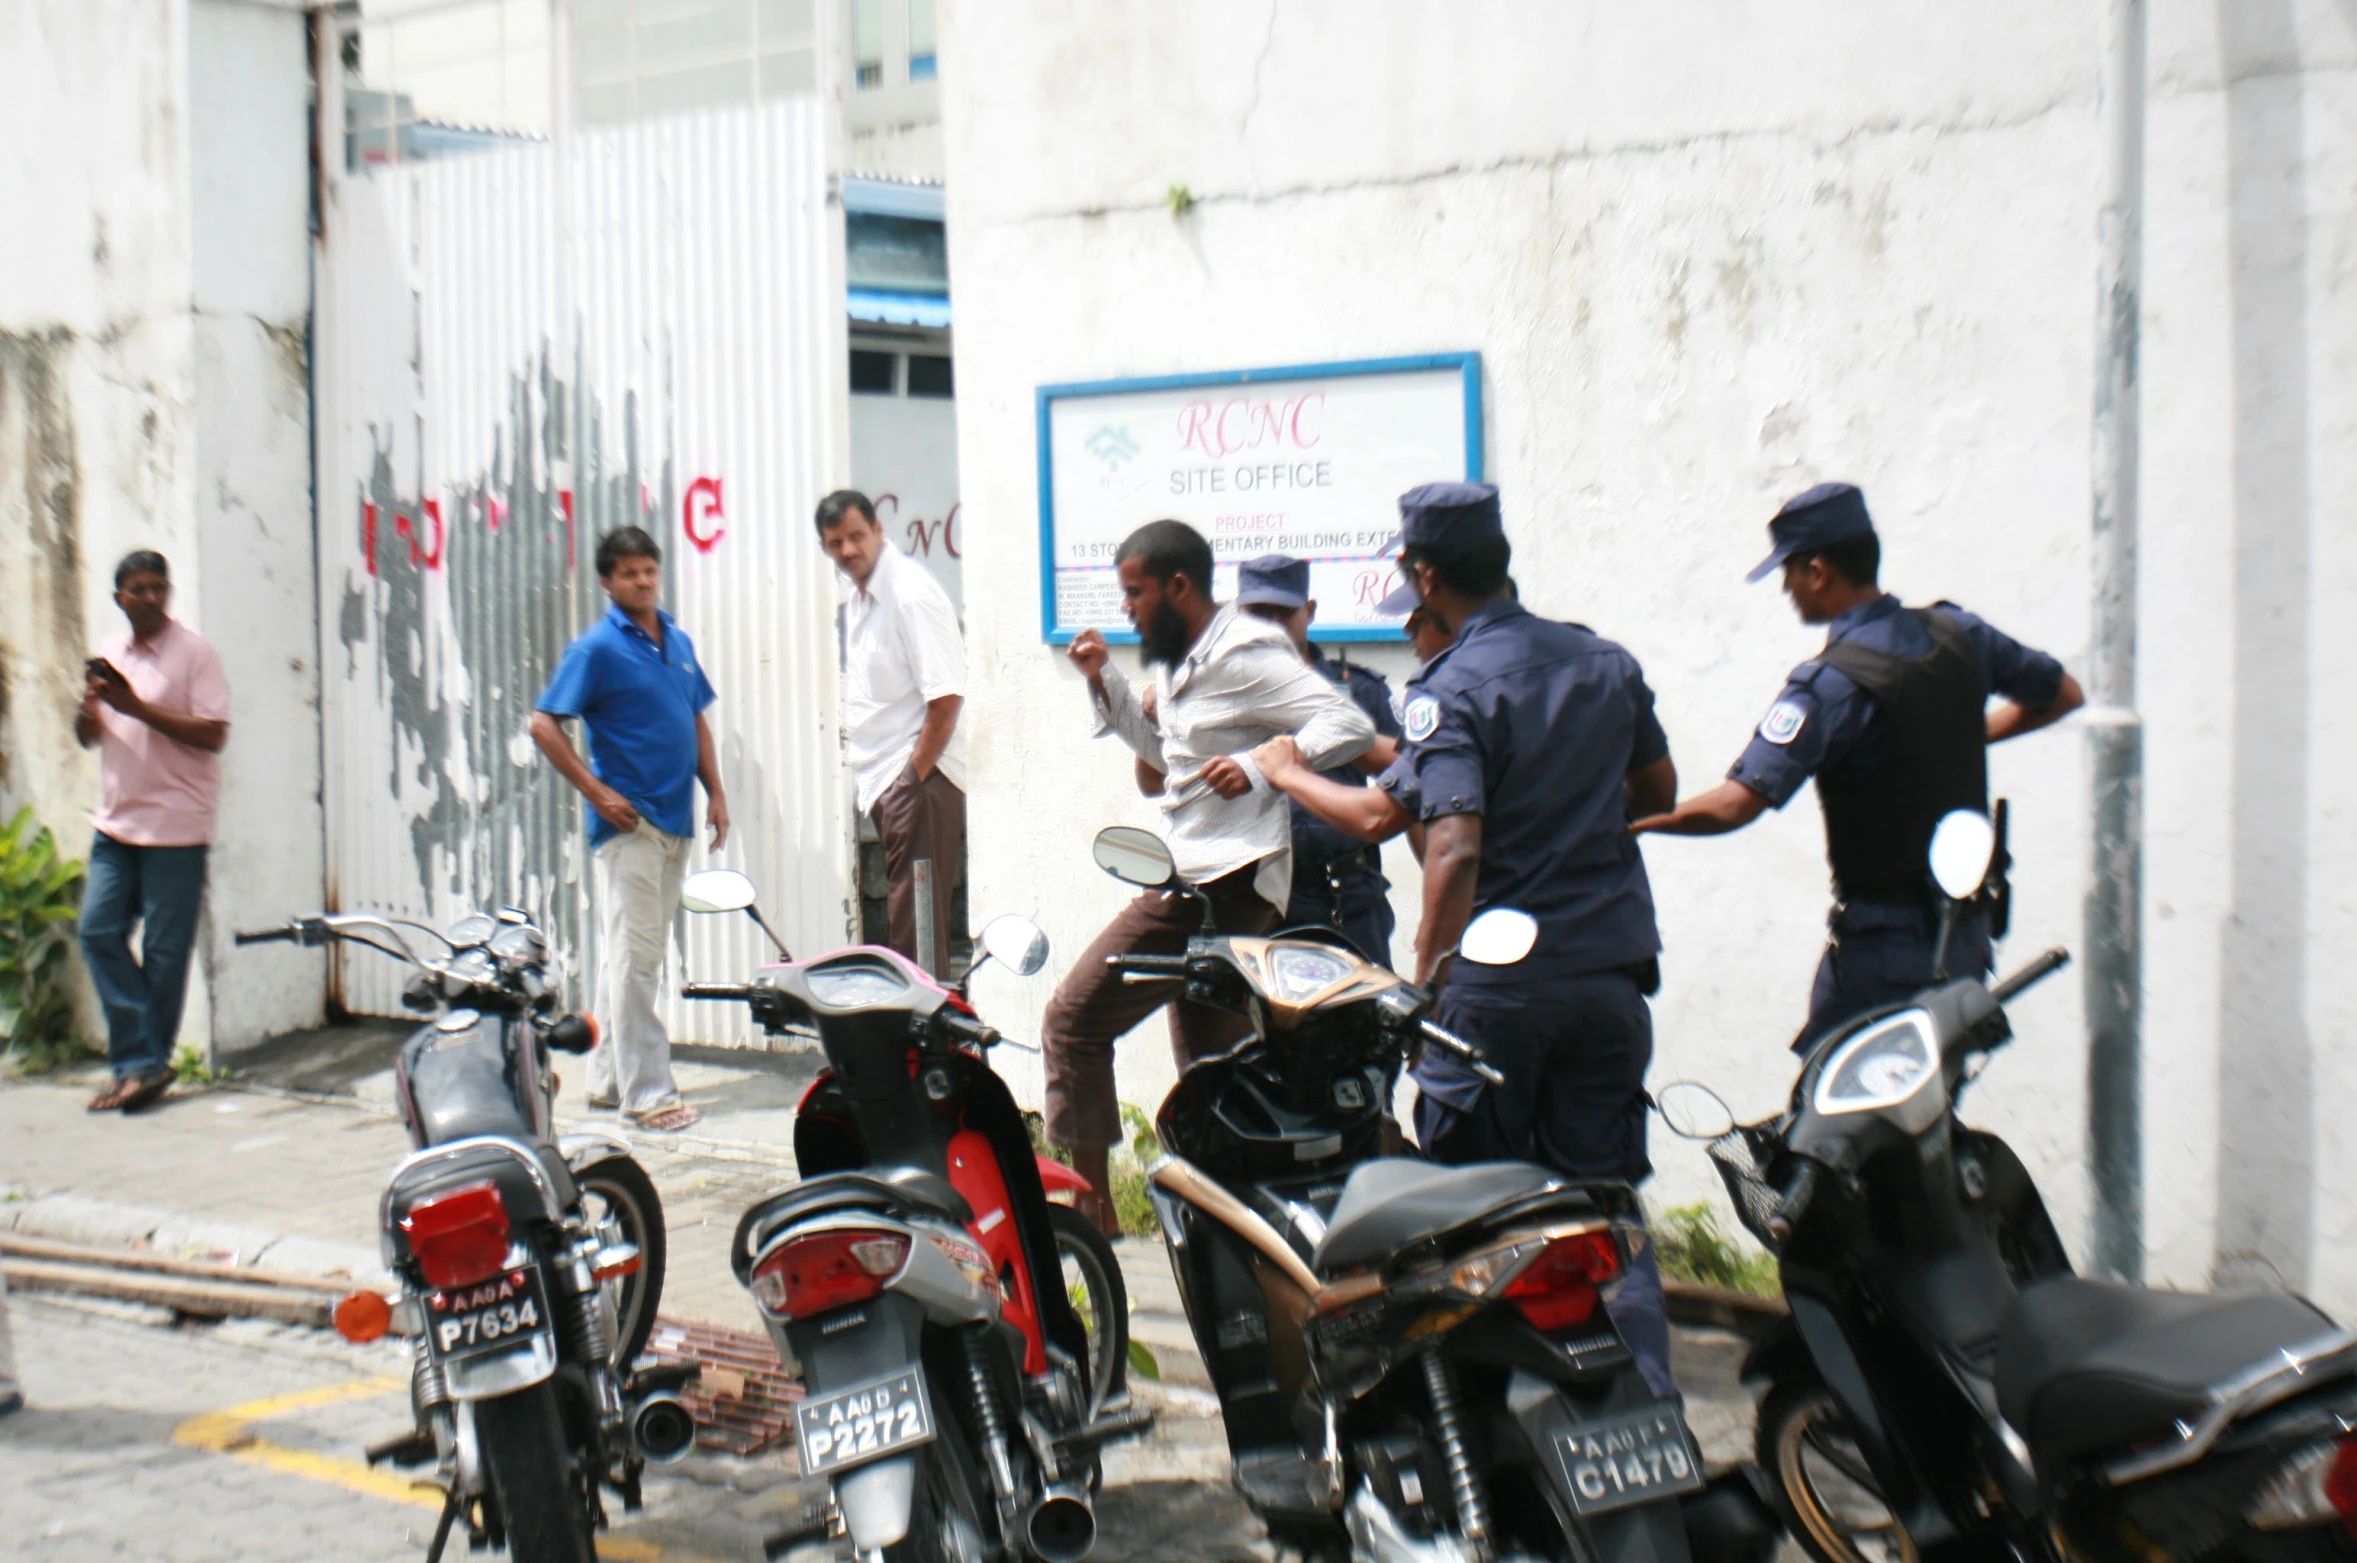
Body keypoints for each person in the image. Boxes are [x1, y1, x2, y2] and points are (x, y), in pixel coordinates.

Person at [1253, 483, 1682, 1400]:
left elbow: (1434, 836)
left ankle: (1496, 1448)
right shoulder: (1604, 661)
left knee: (1466, 1220)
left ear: (1424, 575)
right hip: (1608, 981)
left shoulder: (1448, 689)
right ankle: (1646, 1412)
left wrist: (1428, 978)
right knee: (1602, 1206)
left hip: (1498, 994)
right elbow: (1656, 793)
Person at [1632, 482, 2083, 1048]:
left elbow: (1735, 804)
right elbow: (2063, 694)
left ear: (1819, 571)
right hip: (1966, 941)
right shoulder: (1961, 634)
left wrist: (1637, 823)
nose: (1785, 588)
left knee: (1829, 1120)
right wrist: (1957, 735)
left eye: (1788, 572)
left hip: (1881, 957)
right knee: (1927, 1116)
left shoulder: (1830, 683)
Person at [1045, 521, 1377, 1234]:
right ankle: (1246, 1227)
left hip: (1218, 885)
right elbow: (1166, 757)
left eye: (1133, 592)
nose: (1126, 606)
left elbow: (1344, 725)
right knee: (1212, 1068)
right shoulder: (1176, 657)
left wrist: (1264, 764)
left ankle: (1089, 1211)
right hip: (1201, 878)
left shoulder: (1244, 650)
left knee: (1072, 1021)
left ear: (1177, 587)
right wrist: (1101, 677)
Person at [530, 527, 728, 1133]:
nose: (642, 581)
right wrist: (596, 791)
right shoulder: (596, 649)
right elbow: (544, 724)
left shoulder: (676, 639)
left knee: (632, 956)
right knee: (638, 961)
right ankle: (648, 1095)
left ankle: (609, 1080)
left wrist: (716, 792)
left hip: (677, 819)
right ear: (607, 582)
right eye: (630, 573)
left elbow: (694, 720)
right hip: (631, 824)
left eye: (649, 571)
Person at [76, 550, 230, 1115]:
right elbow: (87, 735)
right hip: (117, 822)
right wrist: (93, 705)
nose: (150, 598)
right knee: (96, 931)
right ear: (119, 596)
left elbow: (213, 735)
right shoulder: (113, 650)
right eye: (138, 589)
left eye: (158, 588)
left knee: (165, 953)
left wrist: (136, 708)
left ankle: (139, 1068)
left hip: (175, 826)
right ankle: (144, 1062)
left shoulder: (195, 655)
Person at [817, 490, 967, 977]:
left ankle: (923, 1048)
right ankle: (914, 1043)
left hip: (919, 781)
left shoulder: (909, 593)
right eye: (835, 543)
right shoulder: (861, 597)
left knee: (915, 935)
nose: (848, 551)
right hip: (889, 780)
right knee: (909, 934)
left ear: (879, 530)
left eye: (857, 536)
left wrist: (910, 781)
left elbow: (946, 698)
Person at [1232, 554, 1402, 962]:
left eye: (1283, 613)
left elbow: (1413, 787)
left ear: (1308, 612)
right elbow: (1158, 782)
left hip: (1346, 897)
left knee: (1366, 1021)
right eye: (1258, 614)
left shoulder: (1359, 691)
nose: (1271, 626)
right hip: (1256, 901)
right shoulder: (1216, 696)